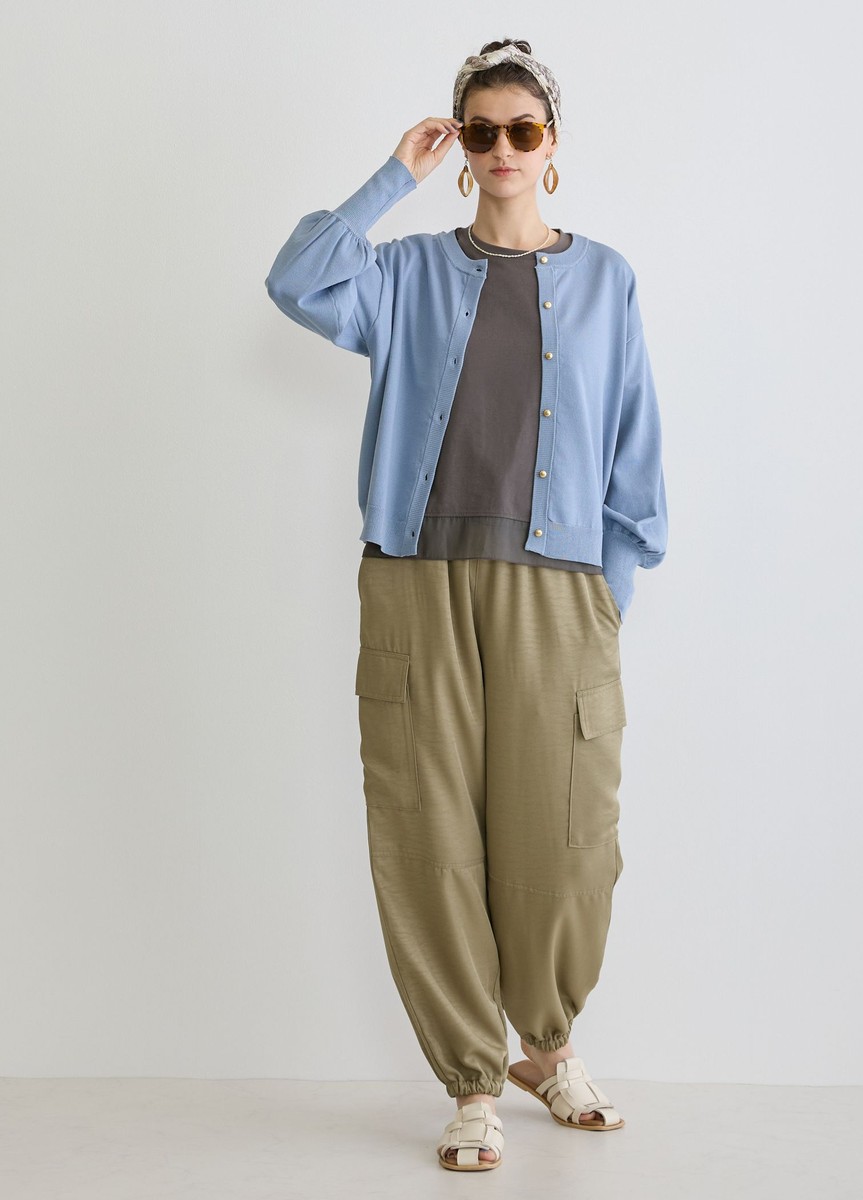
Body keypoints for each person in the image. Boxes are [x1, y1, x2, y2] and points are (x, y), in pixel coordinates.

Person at [265, 37, 668, 1172]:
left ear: (552, 144)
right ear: (460, 147)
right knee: (425, 834)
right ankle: (472, 1082)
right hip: (417, 583)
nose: (501, 149)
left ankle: (548, 1046)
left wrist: (606, 598)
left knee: (565, 837)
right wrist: (391, 176)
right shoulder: (400, 274)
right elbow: (295, 283)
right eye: (480, 132)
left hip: (560, 593)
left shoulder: (608, 279)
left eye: (521, 131)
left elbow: (635, 446)